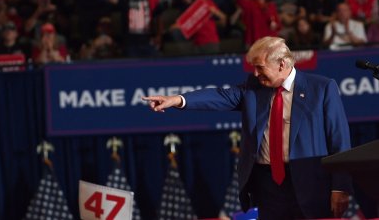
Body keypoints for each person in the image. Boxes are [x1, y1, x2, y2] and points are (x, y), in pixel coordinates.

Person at [143, 36, 352, 220]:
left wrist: (340, 187)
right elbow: (219, 96)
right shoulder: (254, 88)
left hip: (310, 184)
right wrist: (177, 100)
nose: (255, 73)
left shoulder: (322, 88)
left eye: (260, 67)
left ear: (281, 64)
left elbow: (339, 141)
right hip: (268, 186)